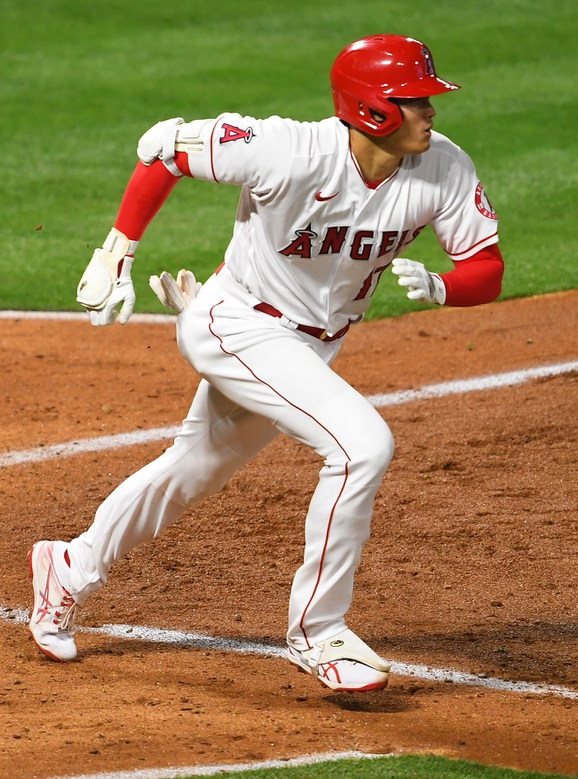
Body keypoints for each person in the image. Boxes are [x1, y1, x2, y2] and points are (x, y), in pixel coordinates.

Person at [29, 35, 503, 692]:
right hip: (235, 325)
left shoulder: (444, 169)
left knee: (191, 469)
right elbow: (163, 148)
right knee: (363, 443)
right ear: (372, 111)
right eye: (413, 100)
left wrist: (447, 287)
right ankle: (319, 632)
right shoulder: (288, 150)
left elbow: (488, 266)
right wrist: (118, 251)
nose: (430, 110)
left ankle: (67, 566)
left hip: (309, 346)